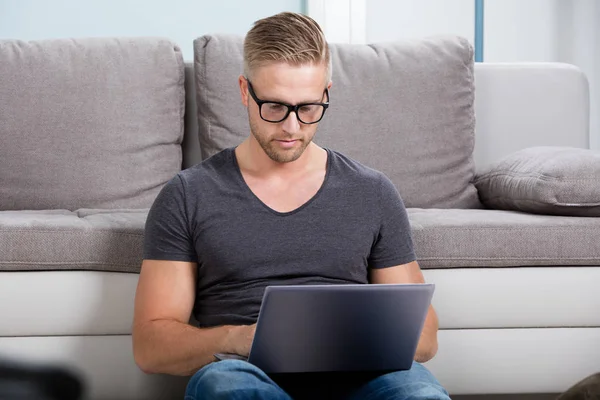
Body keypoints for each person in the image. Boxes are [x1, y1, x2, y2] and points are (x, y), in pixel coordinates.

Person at [132, 11, 449, 400]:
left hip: (364, 376)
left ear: (326, 93)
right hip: (248, 373)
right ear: (245, 91)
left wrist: (340, 337)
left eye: (308, 108)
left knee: (419, 394)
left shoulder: (372, 191)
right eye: (275, 107)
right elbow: (151, 345)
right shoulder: (188, 194)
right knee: (223, 386)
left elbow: (425, 339)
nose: (292, 127)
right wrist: (241, 338)